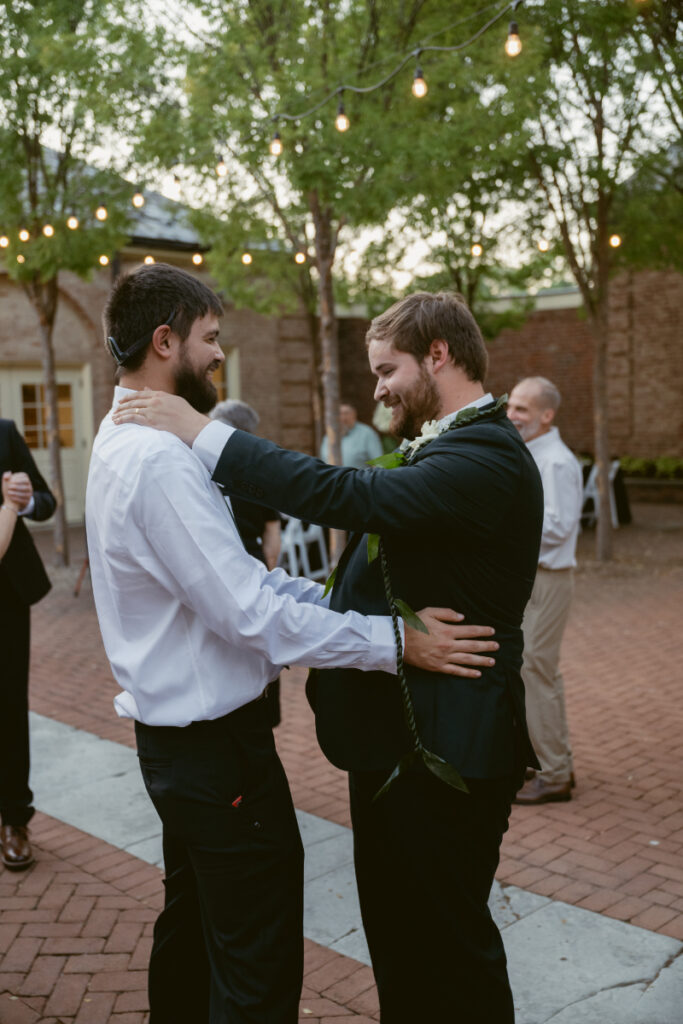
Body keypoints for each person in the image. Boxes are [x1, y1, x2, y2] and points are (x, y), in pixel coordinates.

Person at [115, 290, 544, 1023]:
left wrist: (203, 433)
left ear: (437, 356)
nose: (375, 388)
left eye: (386, 369)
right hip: (396, 749)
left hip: (447, 750)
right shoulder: (447, 446)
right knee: (401, 941)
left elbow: (350, 495)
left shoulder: (487, 454)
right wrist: (318, 608)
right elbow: (371, 573)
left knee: (448, 947)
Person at [507, 376, 583, 804]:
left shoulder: (554, 461)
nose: (513, 415)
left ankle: (555, 774)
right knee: (531, 670)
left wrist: (503, 523)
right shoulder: (532, 453)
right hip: (533, 578)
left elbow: (559, 526)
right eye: (512, 406)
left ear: (546, 415)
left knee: (537, 670)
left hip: (550, 579)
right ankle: (546, 759)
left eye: (522, 409)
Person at [0, 421, 56, 871]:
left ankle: (14, 820)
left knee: (8, 708)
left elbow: (47, 502)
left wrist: (27, 499)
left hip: (6, 597)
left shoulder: (3, 433)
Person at [210, 398, 283, 726]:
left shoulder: (202, 468)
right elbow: (273, 535)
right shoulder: (257, 473)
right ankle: (262, 712)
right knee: (261, 644)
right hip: (250, 563)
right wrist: (268, 568)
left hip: (219, 568)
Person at [320, 401, 383, 468]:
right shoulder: (328, 436)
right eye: (339, 414)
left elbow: (378, 463)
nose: (343, 418)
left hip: (359, 478)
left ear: (354, 414)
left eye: (346, 413)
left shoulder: (367, 433)